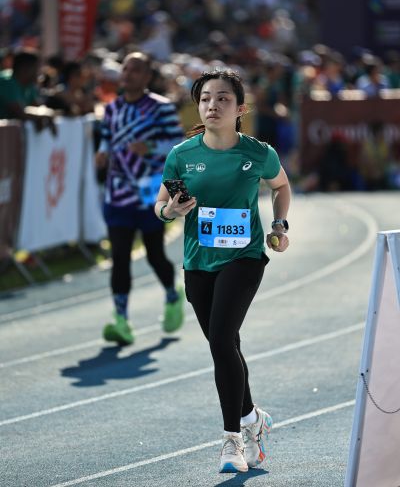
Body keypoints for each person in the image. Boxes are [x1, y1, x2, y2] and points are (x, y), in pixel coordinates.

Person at [154, 68, 291, 473]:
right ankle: (253, 418)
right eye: (205, 99)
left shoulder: (258, 153)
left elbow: (281, 186)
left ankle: (232, 440)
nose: (212, 105)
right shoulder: (181, 155)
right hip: (198, 261)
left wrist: (279, 226)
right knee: (226, 344)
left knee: (219, 340)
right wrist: (170, 211)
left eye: (223, 98)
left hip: (244, 257)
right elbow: (160, 206)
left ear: (240, 109)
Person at [95, 51, 185, 346]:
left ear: (147, 77)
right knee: (119, 257)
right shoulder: (112, 108)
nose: (128, 74)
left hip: (149, 193)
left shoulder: (161, 108)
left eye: (135, 70)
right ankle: (121, 320)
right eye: (125, 68)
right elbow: (107, 136)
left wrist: (151, 147)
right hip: (118, 193)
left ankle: (172, 295)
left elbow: (177, 144)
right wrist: (102, 152)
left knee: (154, 254)